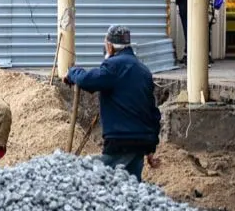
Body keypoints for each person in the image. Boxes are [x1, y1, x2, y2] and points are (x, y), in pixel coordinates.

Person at [65, 25, 162, 181]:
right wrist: (151, 148)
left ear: (109, 46)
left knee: (91, 174)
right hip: (141, 143)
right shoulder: (144, 71)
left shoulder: (113, 66)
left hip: (120, 140)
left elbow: (86, 80)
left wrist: (72, 72)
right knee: (130, 184)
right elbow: (153, 113)